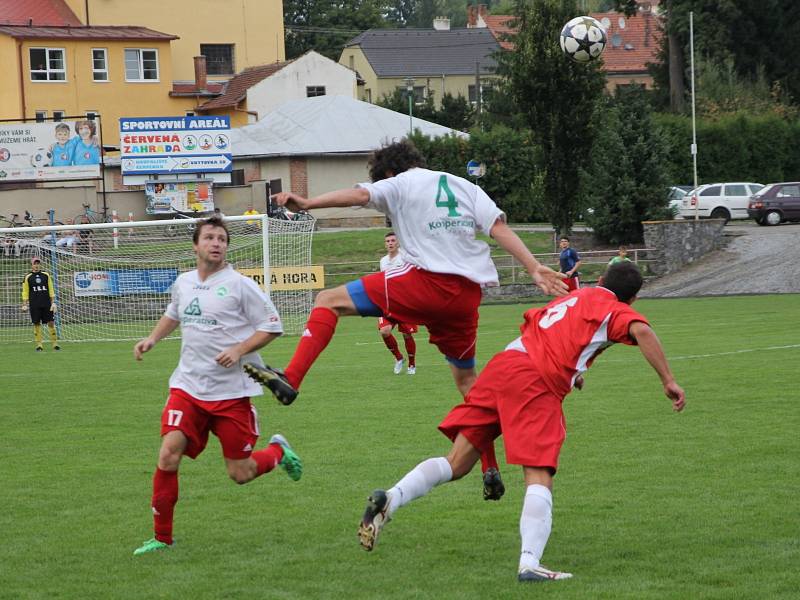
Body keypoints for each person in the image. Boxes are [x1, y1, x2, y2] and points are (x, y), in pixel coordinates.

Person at [245, 139, 568, 501]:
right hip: (466, 298)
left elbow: (357, 196)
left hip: (426, 283)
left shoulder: (399, 182)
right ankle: (489, 467)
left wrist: (307, 203)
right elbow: (499, 228)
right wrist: (533, 267)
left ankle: (292, 378)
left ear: (388, 172)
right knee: (467, 382)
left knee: (327, 300)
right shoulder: (463, 185)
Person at [356, 261, 686, 583]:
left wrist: (573, 373)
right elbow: (641, 330)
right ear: (633, 299)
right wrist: (668, 380)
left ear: (599, 278)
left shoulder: (571, 296)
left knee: (457, 462)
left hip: (505, 365)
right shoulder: (616, 309)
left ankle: (391, 497)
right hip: (536, 382)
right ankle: (530, 563)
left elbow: (544, 330)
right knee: (538, 471)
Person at [131, 217, 302, 556]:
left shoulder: (240, 285)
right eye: (209, 237)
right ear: (195, 245)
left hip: (232, 394)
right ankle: (162, 538)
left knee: (240, 473)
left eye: (222, 238)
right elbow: (174, 314)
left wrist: (239, 350)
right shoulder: (183, 282)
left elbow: (272, 326)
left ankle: (278, 451)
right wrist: (152, 339)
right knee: (168, 454)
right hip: (188, 388)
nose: (216, 243)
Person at [378, 232, 418, 375]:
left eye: (393, 240)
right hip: (388, 303)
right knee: (384, 331)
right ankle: (399, 358)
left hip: (405, 303)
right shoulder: (383, 261)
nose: (390, 243)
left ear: (398, 243)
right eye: (387, 241)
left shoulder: (405, 258)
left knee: (407, 335)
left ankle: (412, 365)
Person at [21, 256, 60, 351]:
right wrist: (25, 304)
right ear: (32, 265)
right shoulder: (28, 277)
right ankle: (39, 345)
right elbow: (25, 291)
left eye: (38, 263)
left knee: (51, 323)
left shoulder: (46, 275)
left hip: (46, 303)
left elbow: (50, 289)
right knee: (36, 323)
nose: (37, 265)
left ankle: (55, 344)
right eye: (35, 263)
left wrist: (53, 302)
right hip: (35, 304)